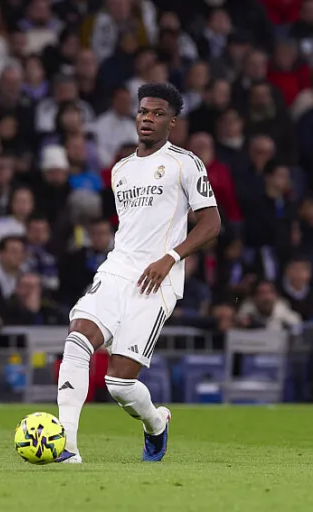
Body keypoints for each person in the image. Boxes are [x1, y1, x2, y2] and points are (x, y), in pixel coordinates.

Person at [55, 82, 221, 464]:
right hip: (116, 270)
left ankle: (156, 423)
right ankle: (67, 446)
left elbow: (212, 224)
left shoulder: (186, 163)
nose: (148, 118)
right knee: (77, 339)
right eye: (143, 111)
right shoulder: (120, 170)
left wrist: (170, 258)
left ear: (172, 122)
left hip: (157, 281)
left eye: (158, 113)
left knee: (119, 383)